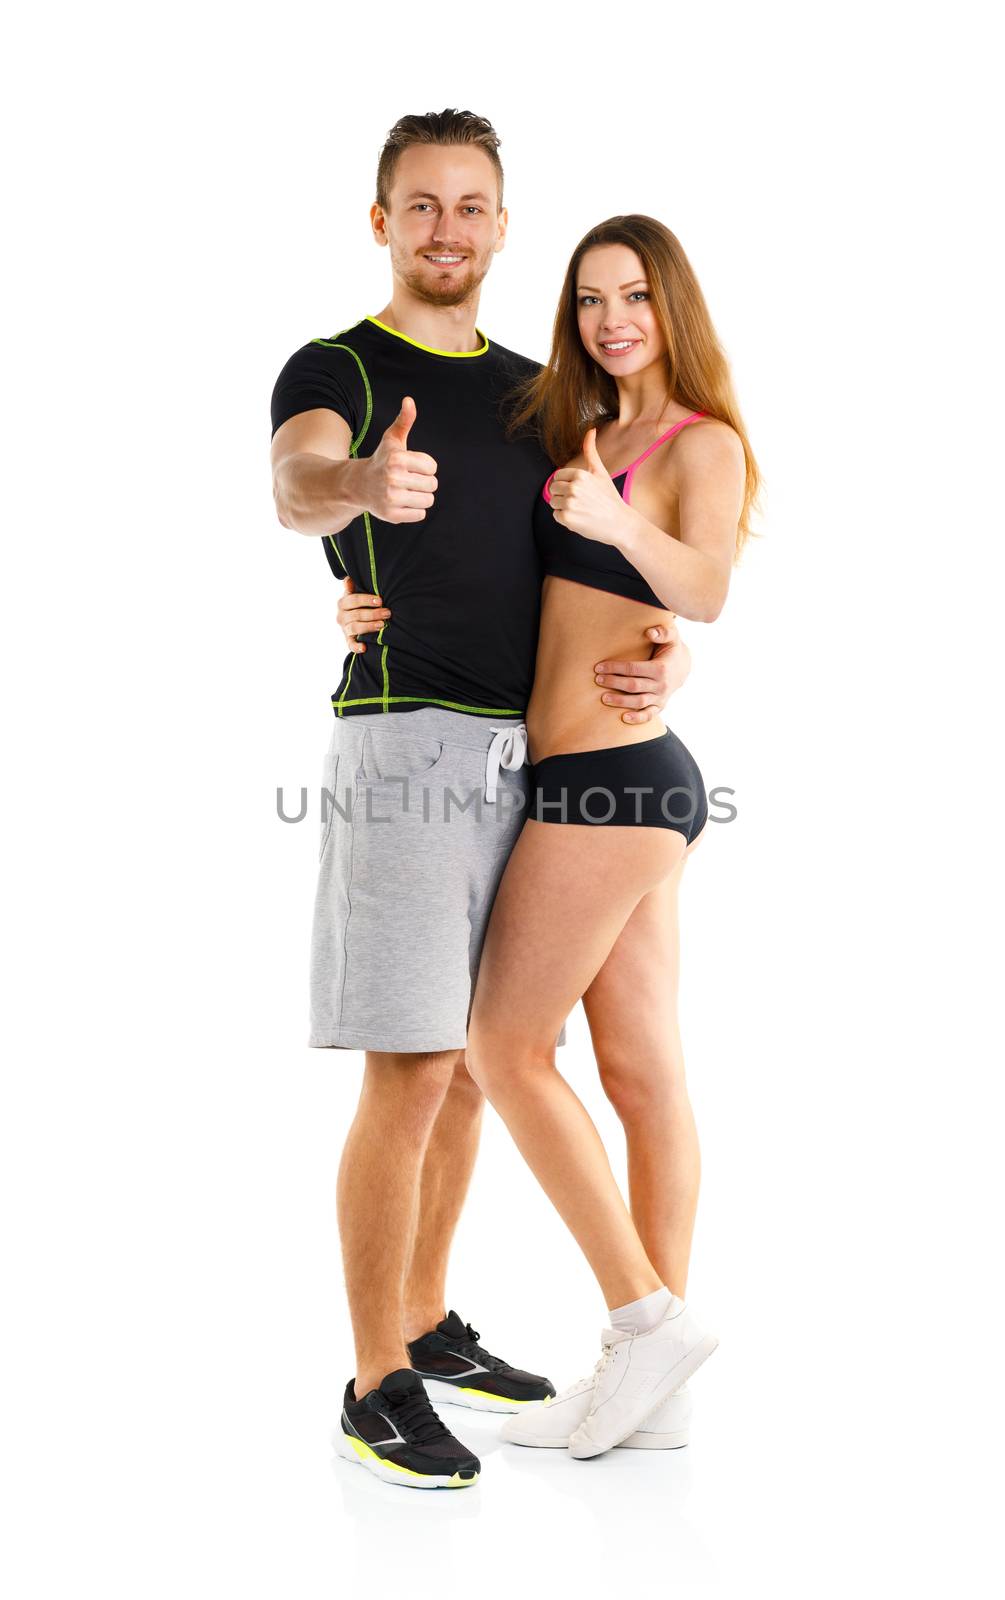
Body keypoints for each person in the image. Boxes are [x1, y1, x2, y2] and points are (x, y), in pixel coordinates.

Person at [270, 112, 691, 1490]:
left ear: (502, 226)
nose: (446, 229)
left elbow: (597, 566)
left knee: (464, 1069)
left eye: (472, 206)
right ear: (381, 221)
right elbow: (296, 479)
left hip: (535, 760)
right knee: (407, 1066)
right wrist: (354, 485)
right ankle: (372, 1382)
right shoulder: (338, 365)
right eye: (421, 205)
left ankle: (428, 1318)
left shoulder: (535, 396)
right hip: (406, 744)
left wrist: (663, 647)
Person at [462, 214, 759, 1459]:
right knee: (638, 1074)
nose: (611, 318)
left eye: (633, 294)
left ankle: (643, 1319)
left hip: (614, 782)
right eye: (589, 298)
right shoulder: (573, 430)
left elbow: (703, 589)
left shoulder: (702, 442)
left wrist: (618, 524)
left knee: (500, 1045)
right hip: (601, 778)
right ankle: (660, 1392)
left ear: (670, 304)